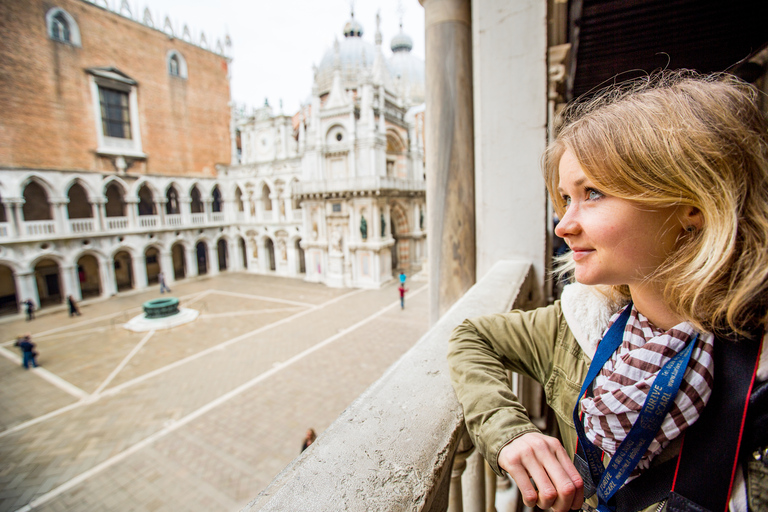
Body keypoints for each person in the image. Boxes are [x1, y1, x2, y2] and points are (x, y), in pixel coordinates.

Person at [448, 71, 768, 512]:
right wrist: (511, 433)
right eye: (565, 199)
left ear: (693, 203)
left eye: (593, 193)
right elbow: (470, 338)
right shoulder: (578, 325)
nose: (563, 226)